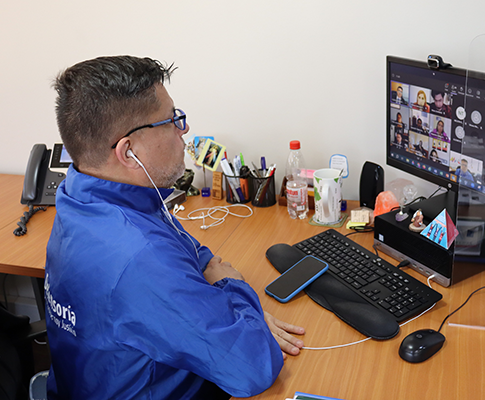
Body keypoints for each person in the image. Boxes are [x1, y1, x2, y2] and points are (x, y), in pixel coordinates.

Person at [45, 56, 305, 399]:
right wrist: (240, 296)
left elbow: (187, 250)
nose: (183, 130)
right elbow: (254, 367)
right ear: (129, 151)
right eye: (172, 121)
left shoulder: (83, 193)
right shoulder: (140, 258)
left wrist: (221, 299)